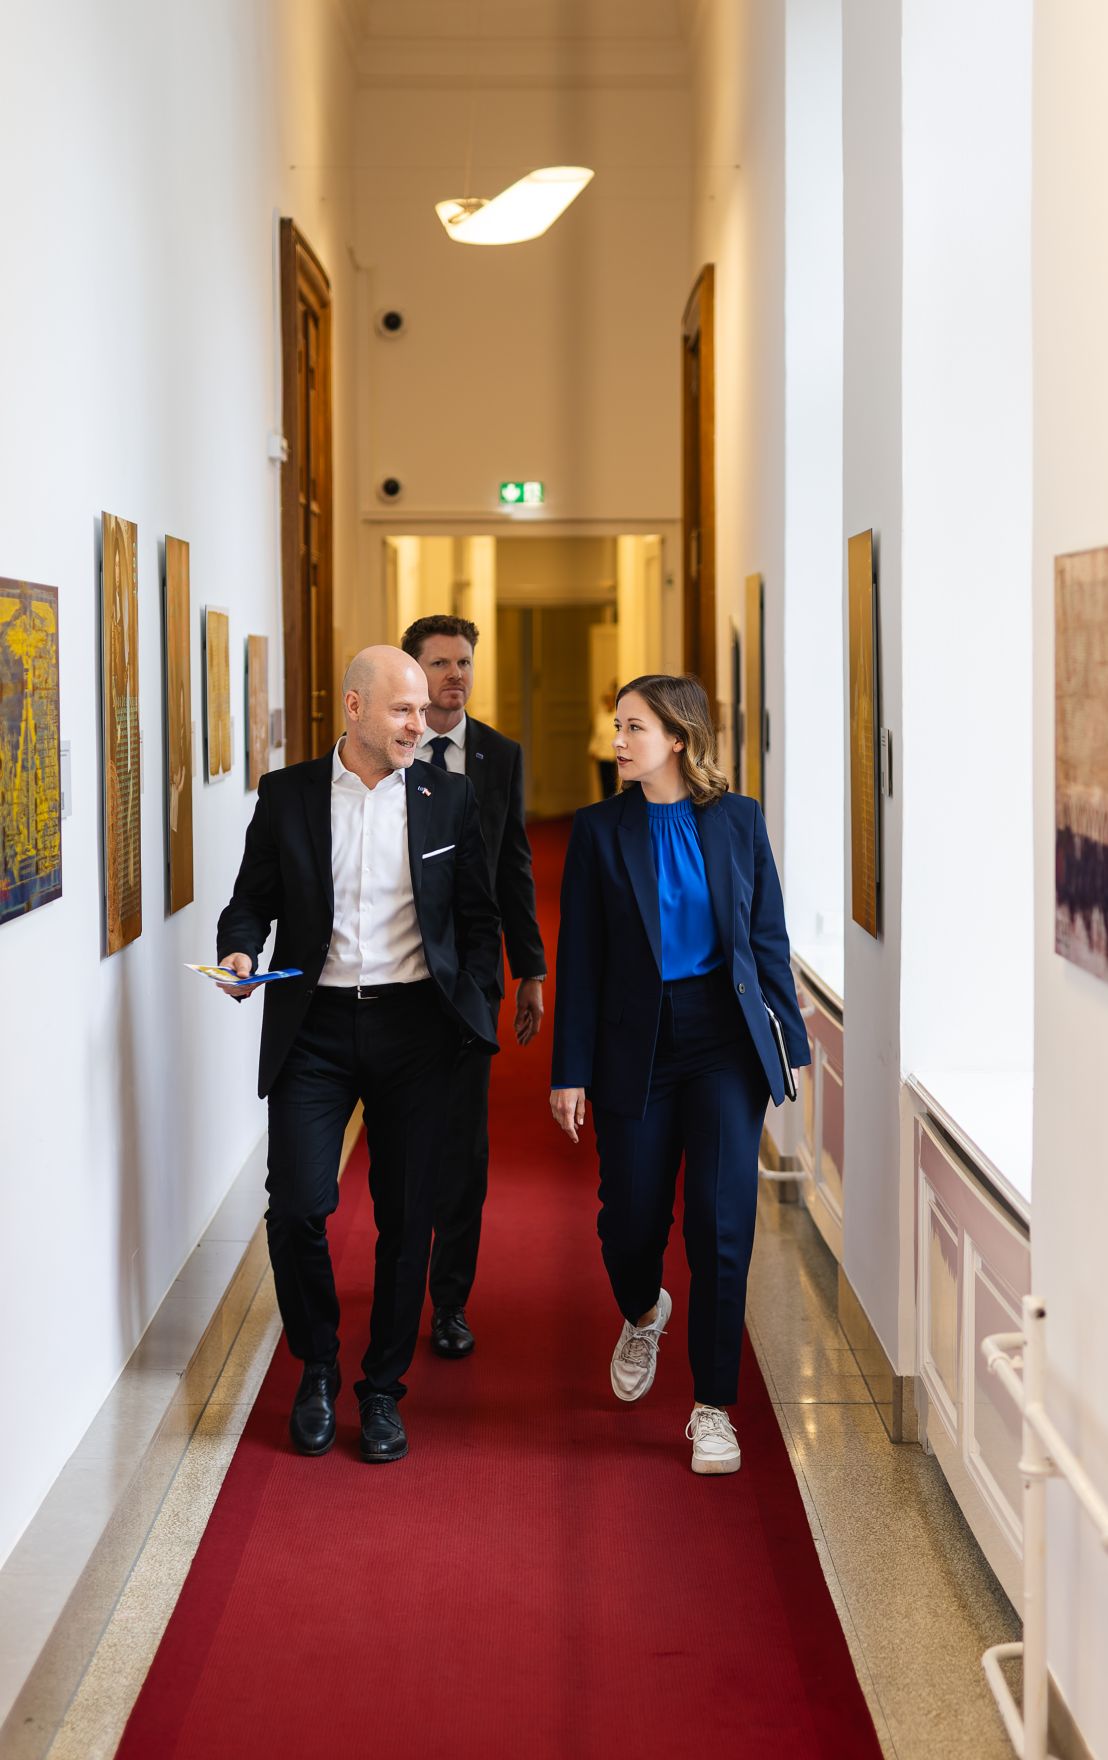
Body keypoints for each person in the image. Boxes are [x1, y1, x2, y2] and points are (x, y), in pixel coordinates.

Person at [216, 645, 500, 1464]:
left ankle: (381, 1390)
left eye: (423, 711)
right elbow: (250, 904)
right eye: (404, 711)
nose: (424, 724)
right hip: (315, 1029)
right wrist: (239, 955)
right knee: (299, 1207)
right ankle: (316, 1366)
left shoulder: (449, 798)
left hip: (417, 1030)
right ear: (354, 708)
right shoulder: (289, 796)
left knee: (407, 1219)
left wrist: (469, 1009)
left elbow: (478, 922)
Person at [549, 673, 810, 1475]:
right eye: (617, 726)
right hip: (637, 1042)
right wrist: (571, 1071)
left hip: (723, 1043)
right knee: (629, 1219)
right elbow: (582, 961)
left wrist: (791, 1046)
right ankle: (643, 1310)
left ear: (679, 738)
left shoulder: (737, 821)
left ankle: (712, 1409)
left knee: (721, 1226)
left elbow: (764, 937)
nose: (619, 741)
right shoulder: (598, 831)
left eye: (633, 728)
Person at [400, 613, 546, 1358]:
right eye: (441, 663)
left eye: (464, 663)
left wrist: (531, 970)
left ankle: (450, 1301)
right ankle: (397, 1279)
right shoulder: (385, 753)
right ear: (412, 670)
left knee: (463, 1147)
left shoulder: (498, 755)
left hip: (471, 981)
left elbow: (514, 864)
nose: (456, 675)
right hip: (393, 979)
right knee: (402, 1145)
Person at [588, 683, 618, 798]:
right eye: (607, 700)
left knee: (613, 784)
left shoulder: (617, 715)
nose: (608, 702)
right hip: (602, 756)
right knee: (603, 783)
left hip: (614, 756)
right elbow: (596, 735)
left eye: (611, 700)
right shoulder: (600, 717)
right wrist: (593, 749)